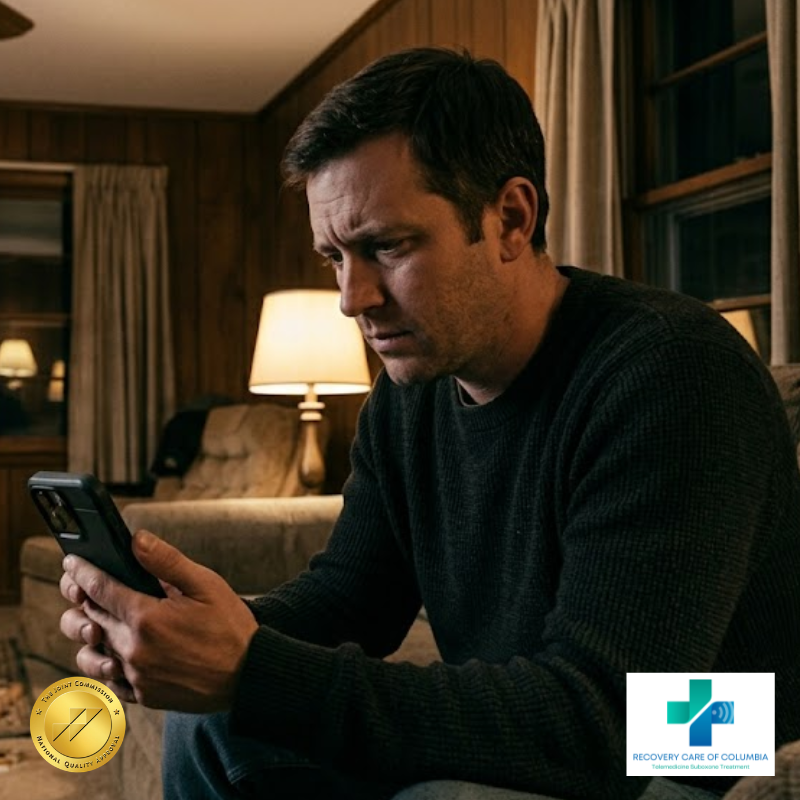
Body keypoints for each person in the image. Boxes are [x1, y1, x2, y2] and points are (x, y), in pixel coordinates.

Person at [59, 47, 800, 800]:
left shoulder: (669, 373)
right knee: (211, 721)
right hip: (580, 708)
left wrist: (256, 669)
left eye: (387, 246)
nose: (354, 298)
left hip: (713, 738)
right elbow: (351, 602)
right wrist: (203, 626)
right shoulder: (410, 396)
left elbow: (606, 717)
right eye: (335, 258)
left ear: (511, 217)